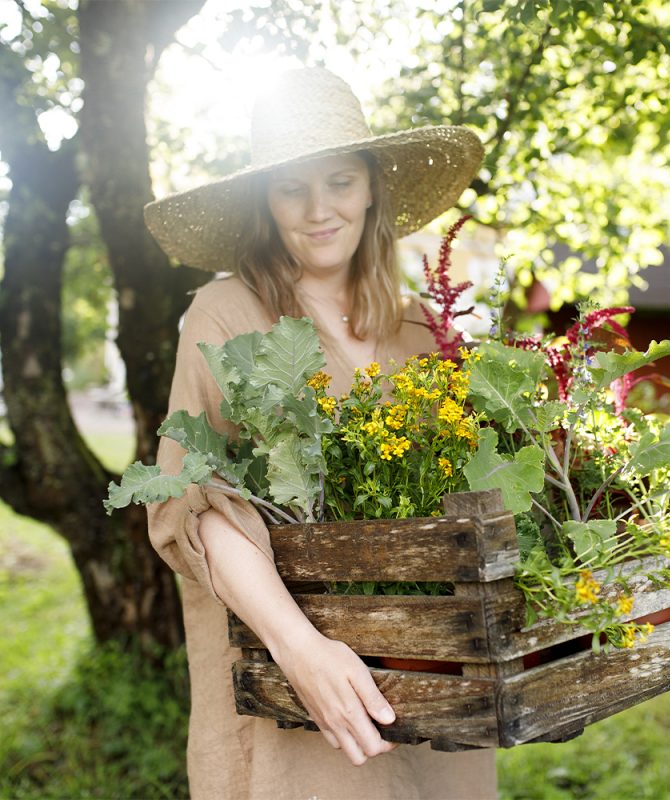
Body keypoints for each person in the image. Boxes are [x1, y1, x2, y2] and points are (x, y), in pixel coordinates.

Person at [144, 67, 495, 800]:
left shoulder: (420, 330)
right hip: (290, 675)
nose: (317, 209)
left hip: (425, 675)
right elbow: (193, 503)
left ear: (372, 187)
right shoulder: (226, 313)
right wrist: (300, 647)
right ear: (265, 203)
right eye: (291, 188)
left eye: (339, 180)